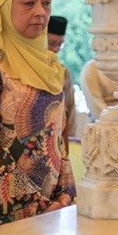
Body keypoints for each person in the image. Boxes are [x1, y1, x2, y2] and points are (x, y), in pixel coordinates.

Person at [0, 0, 75, 227]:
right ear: (2, 7)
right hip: (3, 216)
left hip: (51, 211)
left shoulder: (51, 67)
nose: (40, 12)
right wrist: (36, 204)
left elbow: (57, 139)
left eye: (46, 3)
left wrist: (65, 191)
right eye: (28, 3)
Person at [47, 15, 77, 152]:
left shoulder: (64, 72)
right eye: (51, 43)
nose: (56, 48)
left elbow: (70, 111)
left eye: (60, 44)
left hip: (59, 139)